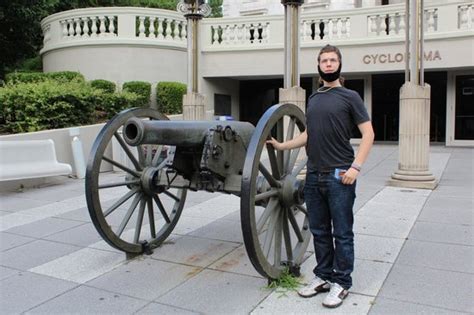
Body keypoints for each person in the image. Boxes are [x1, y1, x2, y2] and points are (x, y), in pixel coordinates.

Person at [267, 44, 374, 308]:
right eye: (324, 60)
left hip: (340, 175)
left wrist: (355, 168)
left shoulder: (350, 97)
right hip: (314, 175)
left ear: (339, 65)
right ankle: (323, 276)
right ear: (318, 66)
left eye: (332, 60)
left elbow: (368, 134)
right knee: (319, 231)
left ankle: (342, 282)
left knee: (343, 233)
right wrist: (283, 145)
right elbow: (309, 134)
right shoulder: (314, 99)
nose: (328, 64)